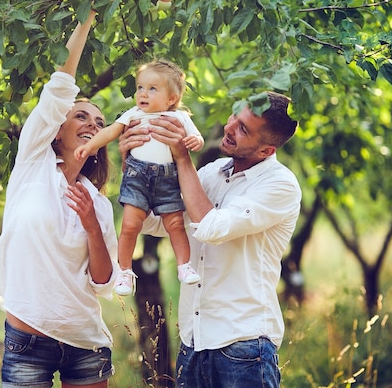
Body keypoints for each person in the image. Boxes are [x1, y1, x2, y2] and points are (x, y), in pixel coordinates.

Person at [0, 0, 120, 387]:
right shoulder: (32, 166)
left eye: (100, 121)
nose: (92, 124)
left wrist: (93, 225)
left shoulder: (99, 201)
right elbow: (61, 86)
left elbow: (103, 281)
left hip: (87, 343)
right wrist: (89, 13)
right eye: (81, 116)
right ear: (56, 129)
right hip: (28, 341)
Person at [119, 92, 301, 388]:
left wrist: (181, 157)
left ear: (267, 150)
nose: (229, 127)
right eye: (234, 116)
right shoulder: (212, 172)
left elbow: (211, 227)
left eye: (243, 129)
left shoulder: (280, 185)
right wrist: (134, 165)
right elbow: (155, 221)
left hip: (243, 346)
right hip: (194, 342)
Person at [74, 59, 204, 296]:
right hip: (137, 176)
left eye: (152, 89)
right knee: (130, 224)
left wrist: (195, 140)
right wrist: (90, 145)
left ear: (171, 99)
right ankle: (124, 271)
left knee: (175, 224)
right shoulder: (133, 114)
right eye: (140, 88)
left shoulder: (181, 118)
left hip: (167, 179)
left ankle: (184, 265)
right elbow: (110, 131)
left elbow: (196, 137)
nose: (143, 94)